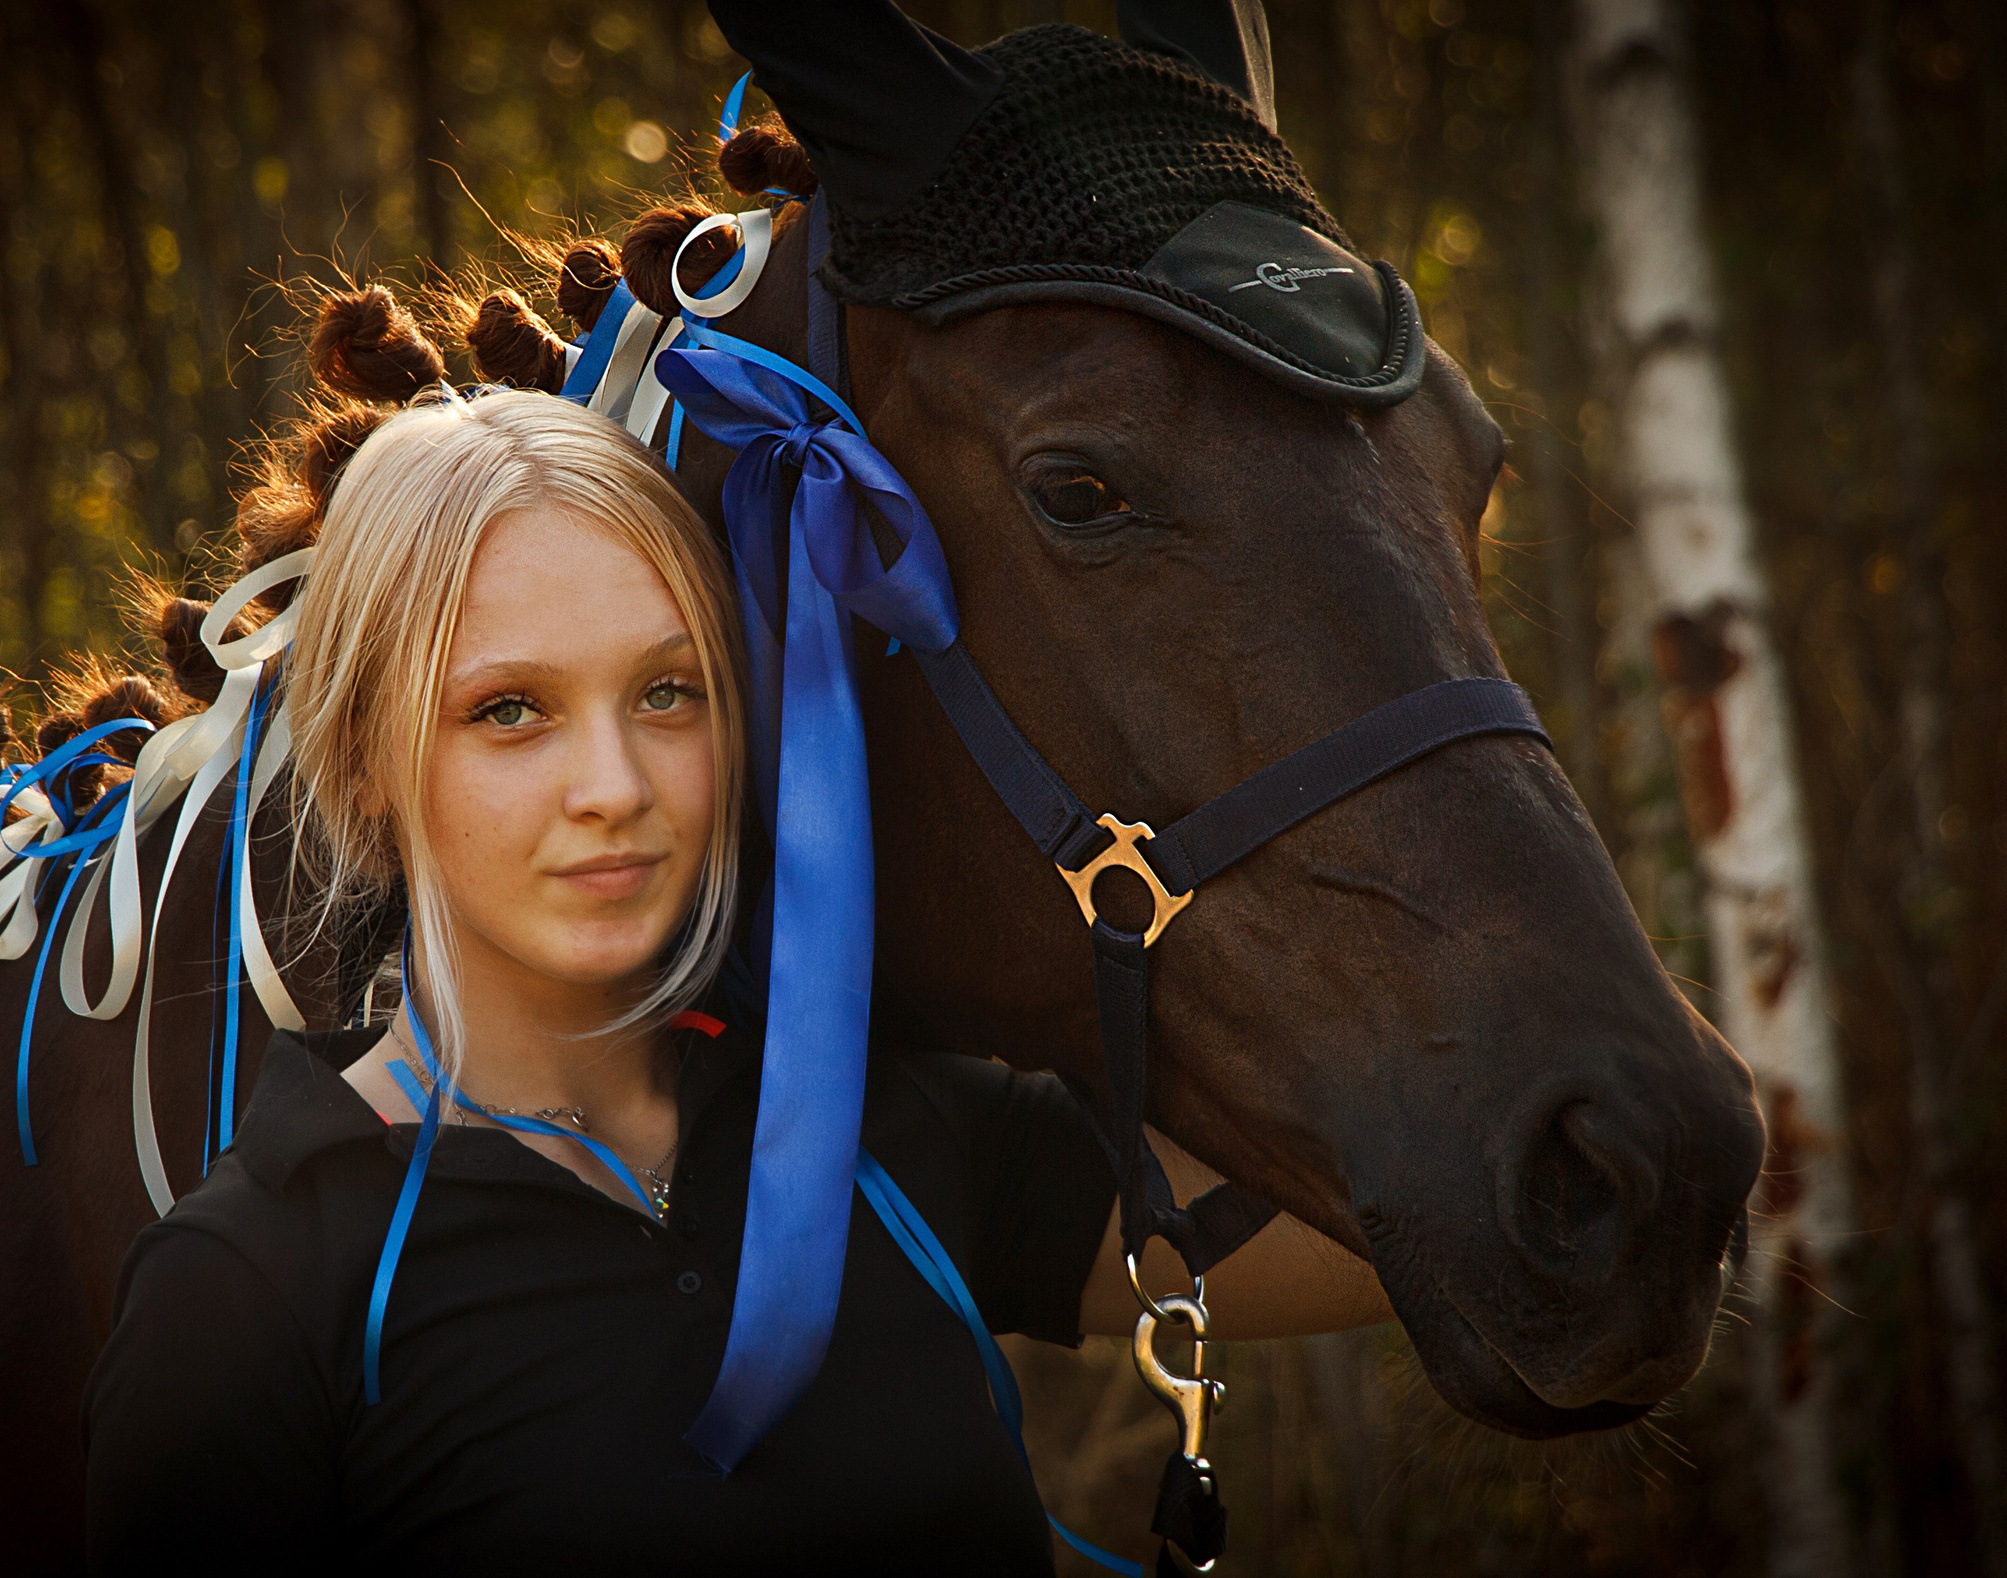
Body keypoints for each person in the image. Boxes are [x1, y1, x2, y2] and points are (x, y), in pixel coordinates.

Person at [81, 292, 1389, 1573]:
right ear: (363, 760)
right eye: (511, 711)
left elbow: (1430, 1208)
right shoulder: (251, 1291)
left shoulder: (878, 1139)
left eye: (668, 691)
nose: (617, 786)